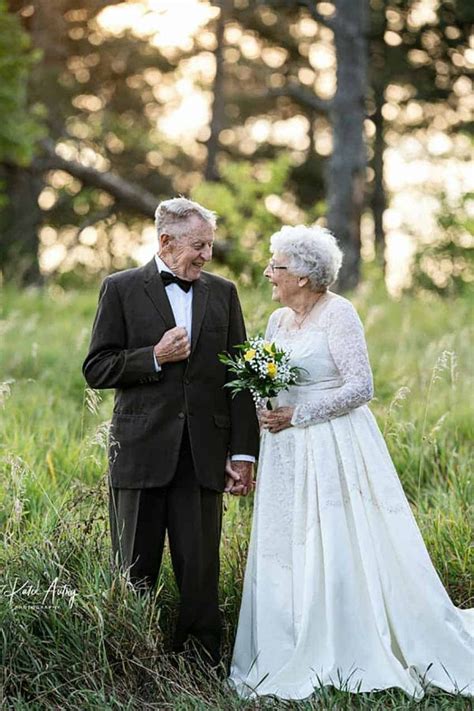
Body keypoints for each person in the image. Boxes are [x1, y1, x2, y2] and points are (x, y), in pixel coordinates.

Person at [229, 224, 473, 700]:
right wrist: (264, 406)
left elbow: (361, 387)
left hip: (331, 443)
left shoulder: (339, 314)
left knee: (335, 538)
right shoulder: (278, 321)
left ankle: (346, 639)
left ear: (303, 275)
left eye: (276, 267)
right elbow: (269, 377)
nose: (267, 274)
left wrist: (299, 414)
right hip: (285, 449)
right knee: (288, 540)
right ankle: (287, 637)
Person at [83, 197, 259, 667]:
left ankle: (202, 668)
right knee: (133, 570)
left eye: (210, 245)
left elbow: (240, 379)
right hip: (140, 454)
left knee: (200, 572)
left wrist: (243, 452)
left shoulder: (223, 293)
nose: (207, 255)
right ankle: (127, 664)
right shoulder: (119, 289)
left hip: (203, 455)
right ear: (166, 241)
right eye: (199, 245)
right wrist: (154, 356)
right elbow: (97, 368)